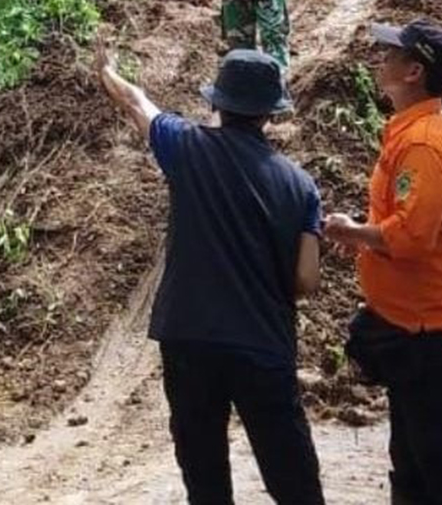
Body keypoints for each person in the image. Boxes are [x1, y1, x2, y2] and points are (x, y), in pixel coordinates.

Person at [94, 41, 325, 505]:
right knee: (291, 473)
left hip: (190, 338)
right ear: (270, 113)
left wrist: (107, 70)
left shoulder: (186, 147)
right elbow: (305, 282)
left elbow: (136, 102)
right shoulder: (300, 186)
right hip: (262, 342)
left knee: (204, 473)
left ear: (216, 102)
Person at [323, 19, 442, 505]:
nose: (383, 60)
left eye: (392, 55)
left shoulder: (425, 144)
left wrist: (354, 232)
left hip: (433, 339)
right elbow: (408, 221)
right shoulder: (417, 132)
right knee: (415, 468)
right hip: (415, 331)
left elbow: (414, 238)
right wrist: (364, 233)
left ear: (414, 71)